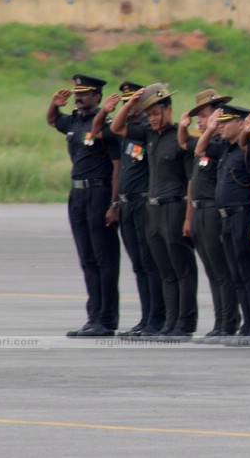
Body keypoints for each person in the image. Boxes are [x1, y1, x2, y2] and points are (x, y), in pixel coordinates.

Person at [109, 83, 197, 339]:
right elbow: (116, 128)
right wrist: (130, 103)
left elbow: (191, 181)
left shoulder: (180, 137)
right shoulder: (148, 134)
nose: (153, 118)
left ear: (168, 110)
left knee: (182, 270)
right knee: (165, 271)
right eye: (150, 115)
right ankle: (168, 323)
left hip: (174, 206)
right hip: (154, 209)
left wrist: (189, 217)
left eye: (157, 113)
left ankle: (185, 323)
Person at [46, 74, 121, 337]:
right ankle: (93, 317)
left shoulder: (106, 125)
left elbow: (116, 168)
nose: (79, 98)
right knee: (87, 259)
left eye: (85, 94)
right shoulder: (75, 121)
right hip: (77, 196)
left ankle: (107, 319)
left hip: (99, 193)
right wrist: (54, 105)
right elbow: (53, 121)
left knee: (104, 259)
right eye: (77, 94)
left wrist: (113, 204)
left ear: (97, 97)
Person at [92, 81, 164, 337]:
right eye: (124, 103)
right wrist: (109, 109)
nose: (127, 106)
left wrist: (135, 106)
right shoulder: (128, 131)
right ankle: (146, 319)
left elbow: (116, 126)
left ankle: (156, 319)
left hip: (143, 202)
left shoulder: (144, 131)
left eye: (132, 102)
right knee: (138, 265)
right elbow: (99, 129)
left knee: (149, 262)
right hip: (126, 202)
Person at [200, 104, 250, 346]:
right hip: (227, 217)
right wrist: (209, 129)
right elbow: (199, 150)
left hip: (243, 215)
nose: (221, 125)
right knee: (238, 275)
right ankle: (248, 324)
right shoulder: (224, 148)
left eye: (226, 122)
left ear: (242, 124)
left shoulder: (249, 148)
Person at [178, 90, 240, 343]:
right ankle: (219, 322)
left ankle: (229, 322)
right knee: (212, 271)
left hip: (215, 210)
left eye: (203, 117)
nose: (200, 122)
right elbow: (185, 144)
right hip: (200, 210)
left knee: (222, 271)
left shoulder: (220, 147)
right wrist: (189, 216)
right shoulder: (204, 143)